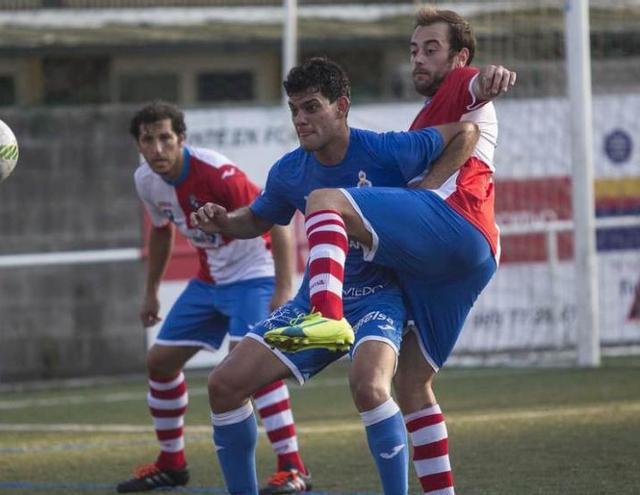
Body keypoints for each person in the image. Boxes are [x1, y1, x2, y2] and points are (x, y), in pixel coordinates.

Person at [191, 58, 480, 494]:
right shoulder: (289, 170)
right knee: (224, 385)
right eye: (294, 110)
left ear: (341, 106)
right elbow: (256, 220)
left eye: (311, 108)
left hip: (379, 298)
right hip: (312, 305)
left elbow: (465, 133)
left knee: (369, 386)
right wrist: (223, 222)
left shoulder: (384, 150)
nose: (301, 120)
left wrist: (427, 188)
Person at [260, 9, 517, 495]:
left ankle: (326, 315)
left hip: (455, 227)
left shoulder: (458, 85)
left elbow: (477, 84)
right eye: (414, 50)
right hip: (473, 256)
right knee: (413, 383)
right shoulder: (428, 116)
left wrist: (489, 77)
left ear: (459, 55)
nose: (418, 59)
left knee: (326, 201)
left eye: (431, 49)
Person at [116, 101, 311, 494]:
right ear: (138, 145)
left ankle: (293, 468)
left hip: (253, 275)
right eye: (147, 140)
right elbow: (160, 231)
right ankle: (172, 464)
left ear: (181, 140)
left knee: (251, 369)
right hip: (210, 280)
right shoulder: (146, 181)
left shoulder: (217, 172)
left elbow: (275, 220)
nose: (157, 149)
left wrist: (282, 289)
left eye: (165, 138)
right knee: (160, 362)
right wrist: (151, 291)